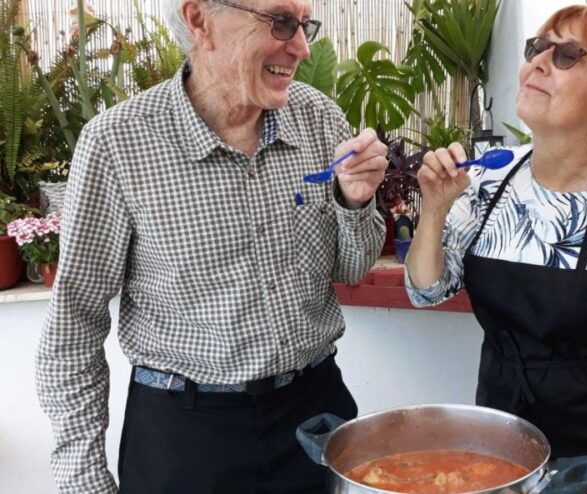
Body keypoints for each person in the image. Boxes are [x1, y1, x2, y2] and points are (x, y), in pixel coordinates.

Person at [35, 0, 388, 492]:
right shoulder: (118, 145)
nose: (303, 48)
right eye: (282, 22)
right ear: (200, 19)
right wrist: (83, 479)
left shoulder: (318, 119)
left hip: (312, 416)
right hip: (185, 436)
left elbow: (353, 268)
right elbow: (74, 324)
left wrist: (356, 201)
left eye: (305, 24)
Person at [405, 5, 587, 493]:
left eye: (569, 55)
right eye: (537, 48)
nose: (540, 62)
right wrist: (435, 210)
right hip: (497, 457)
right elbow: (426, 291)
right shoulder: (485, 181)